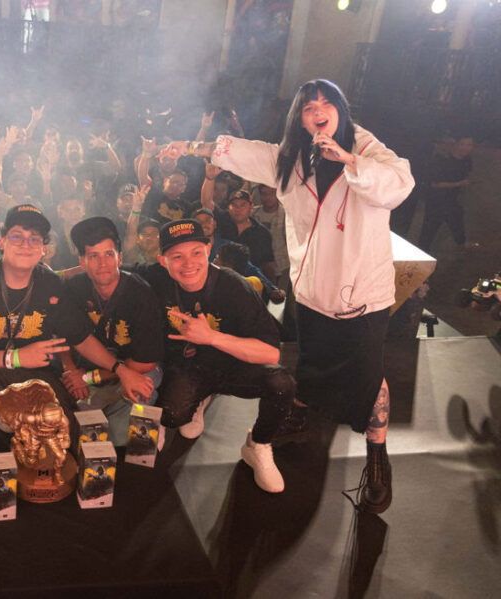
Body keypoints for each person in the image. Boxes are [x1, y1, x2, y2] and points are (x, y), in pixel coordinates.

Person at [165, 79, 415, 511]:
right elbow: (242, 152)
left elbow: (398, 184)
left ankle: (377, 455)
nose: (318, 112)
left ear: (340, 110)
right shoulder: (291, 159)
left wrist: (348, 160)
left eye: (326, 104)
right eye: (308, 107)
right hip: (315, 293)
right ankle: (289, 419)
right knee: (311, 367)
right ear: (299, 118)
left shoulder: (367, 149)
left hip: (363, 296)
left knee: (369, 376)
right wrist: (187, 146)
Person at [0, 204, 154, 452]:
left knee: (68, 433)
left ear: (43, 249)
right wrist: (17, 357)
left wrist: (120, 369)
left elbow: (81, 338)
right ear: (1, 241)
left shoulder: (50, 283)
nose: (26, 244)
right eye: (17, 236)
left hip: (36, 372)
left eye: (34, 239)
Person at [135, 219, 295, 492]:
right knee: (172, 416)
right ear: (163, 261)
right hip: (189, 367)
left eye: (196, 252)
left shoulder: (235, 286)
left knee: (281, 384)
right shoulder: (156, 279)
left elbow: (270, 353)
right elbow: (112, 273)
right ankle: (198, 400)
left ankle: (257, 445)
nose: (188, 263)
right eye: (177, 256)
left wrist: (211, 337)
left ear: (209, 250)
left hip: (234, 365)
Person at [59, 217, 164, 445]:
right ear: (82, 262)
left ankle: (143, 449)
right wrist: (70, 371)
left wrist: (88, 377)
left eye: (109, 254)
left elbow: (145, 362)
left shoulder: (141, 295)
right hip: (88, 373)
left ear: (120, 258)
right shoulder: (74, 289)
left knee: (140, 393)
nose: (102, 263)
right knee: (85, 434)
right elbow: (65, 336)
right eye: (93, 256)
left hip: (135, 368)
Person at [417, 135, 474, 252]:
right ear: (455, 145)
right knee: (430, 227)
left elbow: (466, 174)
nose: (466, 148)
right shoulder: (441, 160)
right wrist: (459, 184)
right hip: (436, 200)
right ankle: (421, 252)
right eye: (462, 144)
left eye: (469, 145)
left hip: (452, 199)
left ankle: (461, 244)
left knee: (457, 221)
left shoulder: (467, 160)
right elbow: (435, 184)